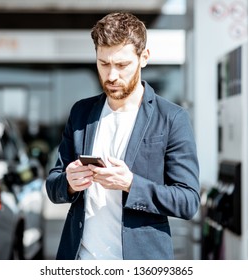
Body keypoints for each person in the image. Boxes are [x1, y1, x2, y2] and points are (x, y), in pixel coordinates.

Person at [45, 12, 200, 260]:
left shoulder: (172, 118)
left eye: (122, 65)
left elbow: (188, 201)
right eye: (103, 64)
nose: (112, 76)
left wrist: (130, 183)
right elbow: (53, 186)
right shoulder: (81, 112)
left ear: (144, 57)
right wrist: (69, 183)